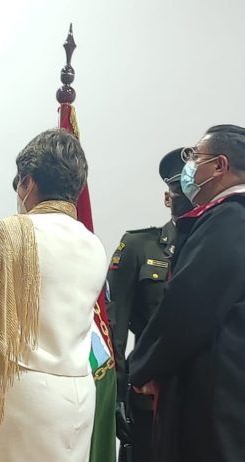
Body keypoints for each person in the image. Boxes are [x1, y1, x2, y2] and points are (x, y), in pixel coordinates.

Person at [0, 127, 108, 462]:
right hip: (78, 395)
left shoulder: (9, 232)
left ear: (29, 183)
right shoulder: (93, 243)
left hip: (21, 396)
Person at [130, 124, 245, 462]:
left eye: (196, 157)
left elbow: (187, 307)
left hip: (216, 398)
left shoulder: (231, 218)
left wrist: (143, 366)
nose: (190, 167)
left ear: (220, 166)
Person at [106, 148, 192, 462]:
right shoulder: (139, 246)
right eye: (180, 190)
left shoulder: (226, 243)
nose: (190, 198)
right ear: (168, 198)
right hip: (148, 397)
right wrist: (115, 395)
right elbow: (113, 325)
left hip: (210, 395)